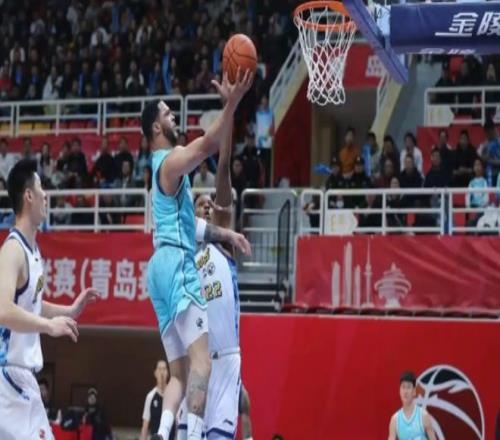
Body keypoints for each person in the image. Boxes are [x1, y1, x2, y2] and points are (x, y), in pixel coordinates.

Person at [141, 69, 253, 440]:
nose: (173, 115)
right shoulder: (170, 160)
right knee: (201, 364)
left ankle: (162, 432)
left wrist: (227, 233)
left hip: (158, 267)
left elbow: (197, 228)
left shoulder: (163, 182)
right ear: (156, 128)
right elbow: (207, 146)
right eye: (167, 113)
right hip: (176, 263)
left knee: (179, 373)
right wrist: (231, 104)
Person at [0, 159, 98, 440]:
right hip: (8, 378)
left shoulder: (34, 252)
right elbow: (3, 310)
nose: (46, 195)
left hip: (23, 380)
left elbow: (32, 305)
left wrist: (70, 310)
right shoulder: (12, 250)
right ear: (28, 196)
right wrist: (48, 326)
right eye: (41, 188)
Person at [178, 88, 245, 440]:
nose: (207, 206)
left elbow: (223, 168)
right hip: (198, 363)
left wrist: (228, 109)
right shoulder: (186, 253)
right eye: (200, 204)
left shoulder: (222, 241)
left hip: (227, 360)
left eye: (210, 204)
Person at [388, 372, 436, 440]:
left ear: (414, 391)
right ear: (399, 391)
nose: (405, 391)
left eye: (408, 387)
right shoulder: (395, 420)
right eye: (403, 387)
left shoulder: (423, 415)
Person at [140, 360, 169, 440]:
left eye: (164, 369)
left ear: (168, 373)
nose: (162, 372)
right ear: (155, 373)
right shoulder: (150, 396)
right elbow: (145, 426)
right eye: (159, 369)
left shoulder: (172, 395)